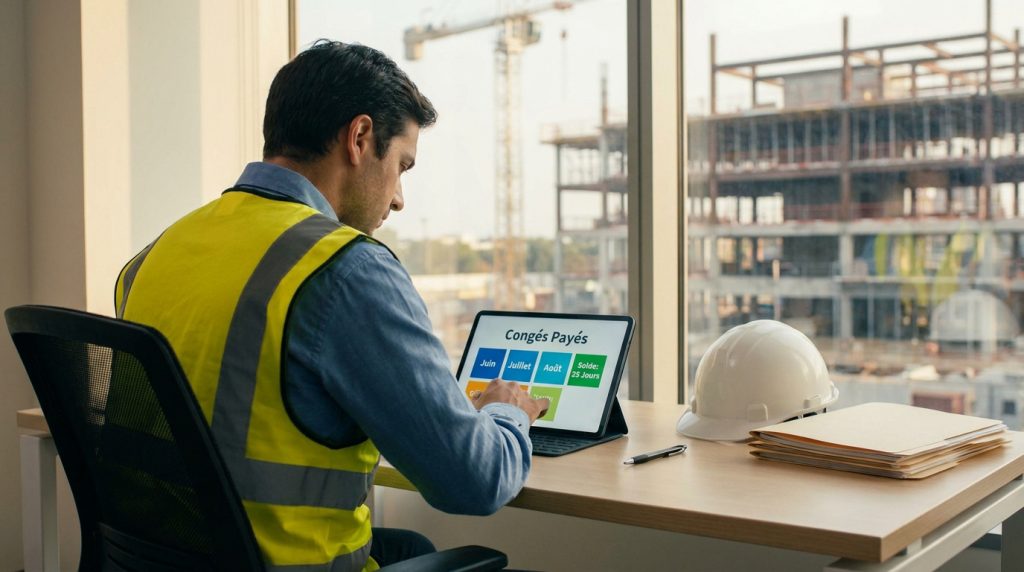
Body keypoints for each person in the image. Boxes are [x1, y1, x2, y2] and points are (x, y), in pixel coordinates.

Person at [114, 40, 549, 571]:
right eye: (402, 166)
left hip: (163, 558)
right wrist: (507, 413)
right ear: (360, 137)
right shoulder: (344, 269)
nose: (397, 199)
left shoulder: (157, 252)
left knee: (411, 549)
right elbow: (474, 482)